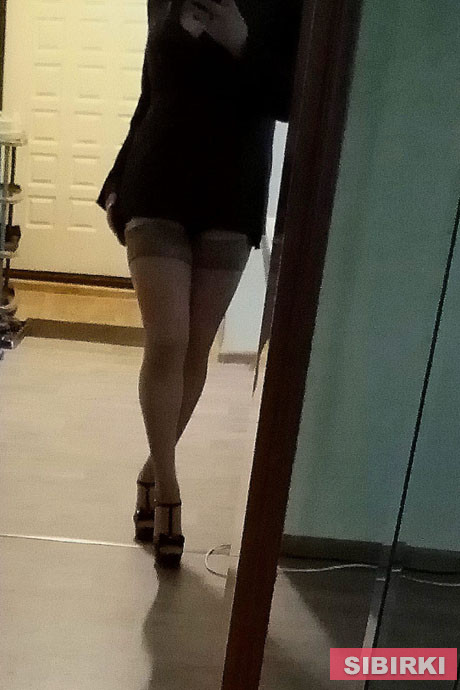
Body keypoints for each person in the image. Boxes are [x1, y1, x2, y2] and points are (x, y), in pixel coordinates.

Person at [96, 0, 302, 567]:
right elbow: (150, 94)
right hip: (155, 183)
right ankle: (169, 491)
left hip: (232, 191)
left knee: (195, 346)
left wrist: (241, 41)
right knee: (167, 340)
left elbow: (294, 101)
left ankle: (150, 469)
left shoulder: (286, 8)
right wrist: (117, 178)